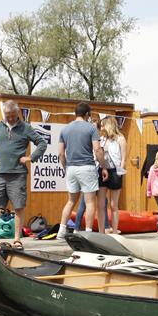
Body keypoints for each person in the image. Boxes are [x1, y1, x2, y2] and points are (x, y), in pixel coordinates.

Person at [0, 100, 47, 251]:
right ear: (4, 114)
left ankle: (17, 239)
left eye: (12, 115)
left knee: (19, 207)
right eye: (7, 115)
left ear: (18, 113)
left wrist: (31, 158)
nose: (9, 118)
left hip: (18, 174)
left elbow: (42, 143)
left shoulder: (26, 128)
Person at [56, 102, 107, 240]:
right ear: (87, 115)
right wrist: (103, 166)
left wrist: (66, 166)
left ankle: (61, 231)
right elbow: (97, 150)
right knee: (90, 202)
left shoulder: (65, 129)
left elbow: (61, 153)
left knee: (71, 201)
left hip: (71, 168)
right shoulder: (91, 128)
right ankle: (88, 233)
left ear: (75, 113)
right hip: (87, 167)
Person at [98, 116, 127, 234]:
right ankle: (101, 232)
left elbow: (124, 158)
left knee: (113, 204)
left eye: (103, 124)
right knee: (101, 203)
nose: (102, 127)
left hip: (115, 171)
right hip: (103, 169)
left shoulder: (120, 138)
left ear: (109, 125)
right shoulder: (102, 138)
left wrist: (120, 172)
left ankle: (115, 231)